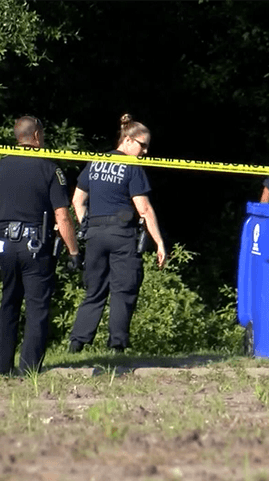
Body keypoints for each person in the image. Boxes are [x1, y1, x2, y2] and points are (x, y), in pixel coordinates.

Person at [0, 116, 80, 376]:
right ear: (36, 136)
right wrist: (73, 251)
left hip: (4, 244)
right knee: (36, 308)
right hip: (35, 246)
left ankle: (1, 368)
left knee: (8, 303)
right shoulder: (49, 169)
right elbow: (62, 215)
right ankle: (29, 369)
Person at [68, 113, 167, 354]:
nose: (145, 153)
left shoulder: (95, 162)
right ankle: (117, 346)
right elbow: (143, 208)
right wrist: (160, 242)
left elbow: (77, 199)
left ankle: (77, 343)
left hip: (95, 234)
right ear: (129, 140)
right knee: (124, 288)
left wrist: (86, 226)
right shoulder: (131, 167)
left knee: (94, 290)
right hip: (122, 234)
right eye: (143, 146)